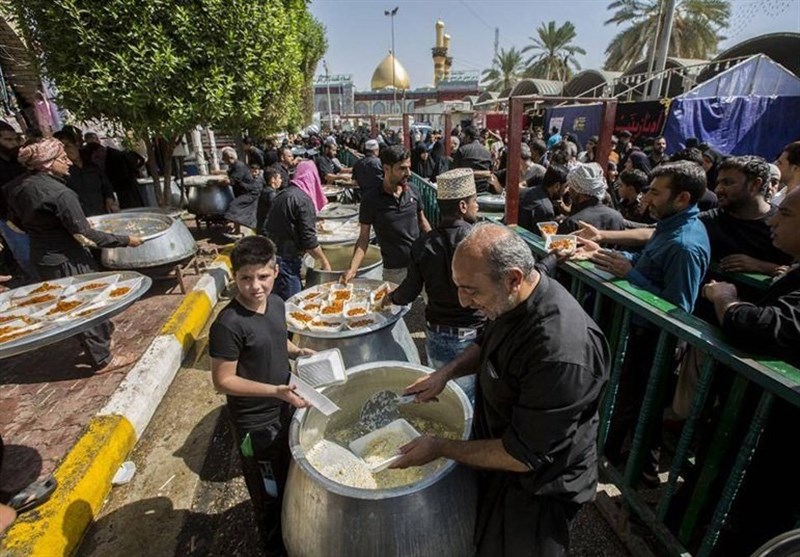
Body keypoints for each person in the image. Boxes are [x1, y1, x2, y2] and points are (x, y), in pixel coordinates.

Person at [393, 223, 609, 557]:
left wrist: (440, 447)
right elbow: (487, 341)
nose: (463, 302)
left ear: (512, 279)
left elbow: (522, 455)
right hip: (503, 462)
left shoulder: (560, 353)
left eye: (471, 291)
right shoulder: (510, 298)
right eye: (458, 288)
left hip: (538, 488)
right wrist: (446, 373)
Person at [574, 161, 710, 485]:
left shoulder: (685, 244)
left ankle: (642, 478)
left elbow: (679, 307)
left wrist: (628, 273)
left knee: (646, 409)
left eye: (655, 192)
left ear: (682, 198)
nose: (646, 198)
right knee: (631, 399)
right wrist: (606, 255)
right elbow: (649, 263)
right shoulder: (670, 227)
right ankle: (613, 458)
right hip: (640, 332)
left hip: (657, 340)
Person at [208, 236, 313, 557]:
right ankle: (274, 546)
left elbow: (276, 339)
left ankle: (295, 532)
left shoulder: (279, 303)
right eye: (245, 278)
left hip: (286, 409)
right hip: (255, 424)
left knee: (292, 479)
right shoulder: (228, 324)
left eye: (263, 276)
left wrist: (298, 351)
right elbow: (223, 380)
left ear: (276, 271)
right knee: (269, 492)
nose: (255, 286)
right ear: (234, 276)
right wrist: (276, 391)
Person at [6, 139, 143, 369]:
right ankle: (102, 359)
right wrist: (126, 240)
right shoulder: (60, 194)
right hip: (67, 259)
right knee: (85, 307)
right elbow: (86, 234)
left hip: (41, 256)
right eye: (62, 158)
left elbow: (14, 224)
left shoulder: (16, 187)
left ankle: (98, 342)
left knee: (69, 305)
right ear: (47, 164)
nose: (69, 162)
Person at [383, 168, 485, 400]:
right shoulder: (479, 241)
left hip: (438, 335)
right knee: (467, 402)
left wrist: (390, 297)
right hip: (473, 340)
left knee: (443, 397)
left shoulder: (423, 244)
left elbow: (408, 292)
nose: (477, 206)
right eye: (474, 201)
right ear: (462, 206)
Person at [342, 145, 431, 285]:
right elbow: (363, 239)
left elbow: (423, 222)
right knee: (397, 307)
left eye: (409, 167)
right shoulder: (371, 200)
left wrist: (437, 247)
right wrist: (352, 269)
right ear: (386, 169)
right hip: (394, 270)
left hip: (421, 262)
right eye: (402, 168)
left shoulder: (413, 191)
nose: (408, 173)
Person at [263, 163, 330, 300]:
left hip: (275, 254)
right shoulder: (303, 199)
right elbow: (309, 240)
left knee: (280, 297)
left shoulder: (284, 194)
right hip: (288, 259)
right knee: (292, 301)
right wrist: (324, 262)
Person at [558, 162, 625, 234]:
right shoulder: (617, 217)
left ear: (577, 191)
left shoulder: (572, 223)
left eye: (571, 187)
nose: (568, 190)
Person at [222, 147, 261, 231]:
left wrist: (219, 181)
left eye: (224, 158)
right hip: (242, 191)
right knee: (238, 210)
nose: (223, 160)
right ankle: (237, 230)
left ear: (231, 158)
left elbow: (232, 181)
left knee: (234, 206)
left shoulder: (239, 166)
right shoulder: (233, 166)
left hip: (250, 192)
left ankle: (238, 230)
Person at [453, 126, 496, 194]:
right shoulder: (487, 152)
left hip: (465, 190)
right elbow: (490, 171)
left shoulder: (462, 150)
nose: (463, 138)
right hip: (483, 189)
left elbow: (454, 170)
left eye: (464, 136)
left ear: (468, 137)